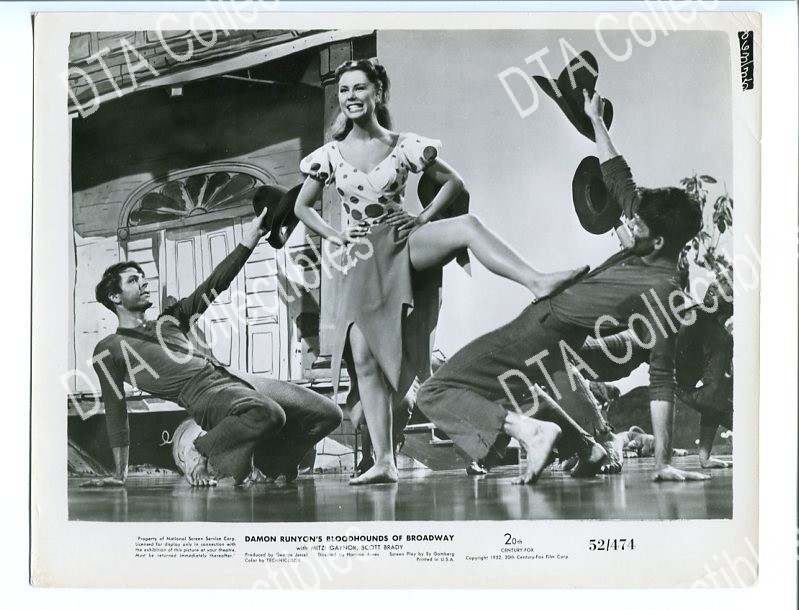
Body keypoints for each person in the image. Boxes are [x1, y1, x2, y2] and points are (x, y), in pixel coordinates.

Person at [293, 58, 585, 485]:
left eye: (359, 88)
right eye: (344, 90)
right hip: (360, 258)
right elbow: (302, 206)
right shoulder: (329, 155)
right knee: (365, 361)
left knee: (466, 225)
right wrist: (335, 237)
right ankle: (384, 461)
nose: (351, 97)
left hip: (401, 242)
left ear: (377, 93)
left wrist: (423, 216)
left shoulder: (404, 145)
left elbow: (454, 183)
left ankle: (536, 280)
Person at [416, 89, 709, 484]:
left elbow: (661, 380)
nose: (628, 221)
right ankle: (588, 447)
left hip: (541, 328)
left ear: (658, 242)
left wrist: (663, 462)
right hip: (563, 341)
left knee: (435, 391)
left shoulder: (663, 294)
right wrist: (596, 120)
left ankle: (535, 434)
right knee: (514, 388)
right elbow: (618, 176)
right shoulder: (658, 240)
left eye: (635, 224)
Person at [88, 210, 342, 487]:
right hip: (202, 395)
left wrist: (251, 237)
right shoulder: (109, 348)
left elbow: (215, 284)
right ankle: (200, 449)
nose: (144, 282)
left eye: (142, 276)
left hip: (231, 376)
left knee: (328, 414)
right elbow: (115, 410)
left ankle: (270, 464)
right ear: (115, 297)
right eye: (133, 280)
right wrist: (119, 474)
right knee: (269, 413)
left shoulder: (170, 320)